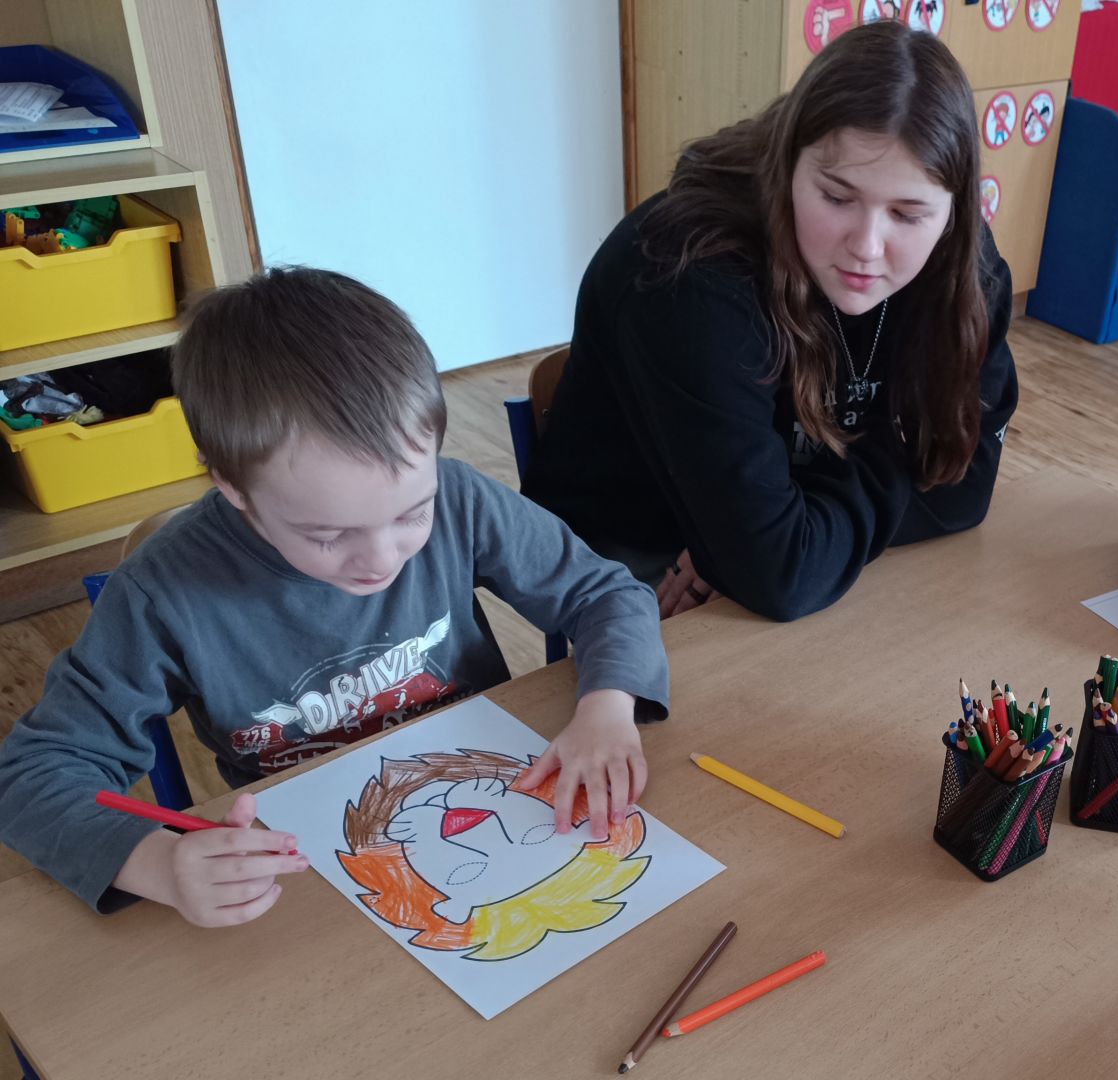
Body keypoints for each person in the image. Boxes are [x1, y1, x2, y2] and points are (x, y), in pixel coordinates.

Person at [0, 268, 669, 926]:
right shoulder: (162, 593)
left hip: (487, 786)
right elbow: (30, 776)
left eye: (412, 512)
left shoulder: (460, 497)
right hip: (310, 867)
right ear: (232, 486)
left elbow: (604, 592)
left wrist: (607, 707)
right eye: (327, 534)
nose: (381, 559)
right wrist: (157, 865)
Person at [524, 20, 1018, 622]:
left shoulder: (963, 265)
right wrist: (775, 540)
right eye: (836, 197)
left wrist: (787, 530)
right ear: (785, 166)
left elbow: (965, 493)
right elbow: (781, 577)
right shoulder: (688, 277)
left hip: (782, 526)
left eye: (908, 214)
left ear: (953, 211)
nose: (867, 246)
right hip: (636, 550)